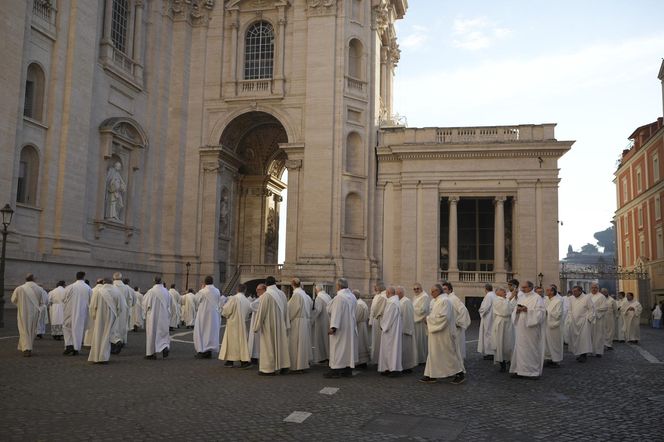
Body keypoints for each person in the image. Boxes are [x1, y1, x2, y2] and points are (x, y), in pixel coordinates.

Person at [420, 283, 465, 385]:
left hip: (443, 334)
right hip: (436, 334)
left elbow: (444, 317)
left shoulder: (445, 301)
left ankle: (459, 373)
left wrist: (428, 320)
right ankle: (431, 375)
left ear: (438, 291)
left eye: (433, 291)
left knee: (448, 354)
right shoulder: (437, 301)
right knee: (433, 354)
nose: (431, 293)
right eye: (431, 292)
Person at [253, 276, 290, 375]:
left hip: (269, 325)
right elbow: (286, 309)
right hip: (280, 324)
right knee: (281, 345)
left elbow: (261, 312)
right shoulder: (282, 294)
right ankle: (284, 366)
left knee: (268, 346)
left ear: (266, 284)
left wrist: (256, 326)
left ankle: (268, 369)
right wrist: (286, 323)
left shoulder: (266, 295)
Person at [510, 280, 546, 379]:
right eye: (522, 287)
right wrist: (517, 311)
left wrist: (528, 310)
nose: (522, 289)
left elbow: (541, 313)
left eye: (524, 287)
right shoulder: (521, 297)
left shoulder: (537, 298)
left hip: (531, 328)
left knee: (531, 349)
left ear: (530, 287)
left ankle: (532, 372)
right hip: (521, 328)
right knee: (520, 348)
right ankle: (520, 370)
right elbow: (514, 310)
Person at [324, 278, 357, 378]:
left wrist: (333, 327)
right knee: (347, 348)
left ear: (338, 286)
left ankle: (336, 370)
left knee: (337, 348)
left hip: (341, 328)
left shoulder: (339, 298)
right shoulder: (352, 296)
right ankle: (347, 369)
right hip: (350, 327)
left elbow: (336, 313)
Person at [11, 274, 46, 357]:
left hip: (23, 312)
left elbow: (13, 300)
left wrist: (20, 305)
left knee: (24, 330)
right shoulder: (39, 289)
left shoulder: (19, 288)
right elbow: (43, 302)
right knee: (32, 331)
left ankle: (26, 348)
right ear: (34, 279)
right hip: (35, 313)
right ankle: (28, 347)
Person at [88, 278, 119, 364]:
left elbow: (92, 306)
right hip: (111, 316)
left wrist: (93, 316)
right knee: (107, 336)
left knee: (98, 335)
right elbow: (120, 305)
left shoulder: (98, 291)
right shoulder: (116, 291)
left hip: (99, 316)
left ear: (104, 283)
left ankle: (96, 357)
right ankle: (104, 357)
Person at [219, 283, 251, 366]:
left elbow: (226, 310)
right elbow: (248, 313)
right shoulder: (247, 300)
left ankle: (231, 360)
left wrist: (225, 314)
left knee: (232, 343)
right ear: (245, 290)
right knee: (241, 343)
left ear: (237, 290)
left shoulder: (234, 298)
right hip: (242, 324)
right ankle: (242, 360)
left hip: (233, 324)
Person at [62, 272, 91, 356]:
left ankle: (69, 345)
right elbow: (91, 301)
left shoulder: (70, 287)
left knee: (67, 327)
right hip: (82, 313)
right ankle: (76, 348)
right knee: (79, 329)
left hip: (69, 311)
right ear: (84, 277)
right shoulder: (88, 288)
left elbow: (63, 298)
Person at [143, 276, 171, 359]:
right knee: (163, 332)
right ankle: (164, 346)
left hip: (153, 316)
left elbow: (145, 303)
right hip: (164, 316)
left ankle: (151, 353)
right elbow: (170, 304)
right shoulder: (166, 292)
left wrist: (145, 312)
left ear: (154, 281)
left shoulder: (151, 292)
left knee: (152, 333)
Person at [288, 278, 313, 373]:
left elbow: (291, 310)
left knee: (296, 345)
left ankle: (297, 366)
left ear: (292, 285)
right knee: (303, 344)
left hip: (297, 322)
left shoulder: (296, 295)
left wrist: (287, 318)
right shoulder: (306, 295)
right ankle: (303, 363)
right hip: (305, 322)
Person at [193, 276, 221, 359]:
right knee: (211, 332)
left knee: (202, 331)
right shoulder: (217, 291)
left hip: (203, 314)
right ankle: (209, 350)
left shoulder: (203, 291)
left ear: (205, 282)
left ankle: (202, 350)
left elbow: (196, 300)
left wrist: (201, 289)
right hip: (214, 315)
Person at [378, 286, 403, 377]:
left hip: (391, 331)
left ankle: (394, 369)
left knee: (391, 349)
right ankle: (388, 367)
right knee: (389, 349)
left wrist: (383, 326)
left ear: (388, 293)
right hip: (392, 329)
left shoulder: (392, 303)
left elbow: (389, 317)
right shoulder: (394, 301)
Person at [443, 282, 470, 360]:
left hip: (456, 328)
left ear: (450, 290)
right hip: (450, 328)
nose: (443, 291)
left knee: (457, 346)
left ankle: (459, 366)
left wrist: (458, 322)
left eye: (445, 289)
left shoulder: (453, 299)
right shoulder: (447, 299)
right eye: (443, 289)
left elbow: (463, 310)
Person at [568, 285, 594, 363]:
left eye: (575, 291)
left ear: (580, 291)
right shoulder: (571, 298)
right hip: (574, 321)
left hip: (584, 321)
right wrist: (570, 319)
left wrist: (589, 319)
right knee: (577, 339)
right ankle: (579, 353)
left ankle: (584, 355)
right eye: (573, 291)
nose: (574, 293)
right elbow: (569, 309)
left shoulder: (587, 298)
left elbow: (591, 309)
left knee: (584, 339)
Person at [491, 288, 515, 373]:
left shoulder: (505, 300)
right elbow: (504, 311)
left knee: (509, 343)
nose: (505, 292)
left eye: (505, 291)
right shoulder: (497, 300)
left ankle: (510, 361)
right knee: (500, 343)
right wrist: (510, 298)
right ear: (498, 293)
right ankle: (502, 364)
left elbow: (511, 309)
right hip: (501, 323)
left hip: (508, 323)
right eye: (503, 291)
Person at [397, 286, 417, 373]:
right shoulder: (400, 301)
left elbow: (407, 317)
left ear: (401, 293)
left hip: (405, 330)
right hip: (400, 329)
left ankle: (407, 367)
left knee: (406, 349)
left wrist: (406, 329)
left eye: (396, 293)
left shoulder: (406, 302)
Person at [544, 284, 564, 368]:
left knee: (555, 343)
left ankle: (556, 360)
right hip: (546, 324)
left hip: (555, 325)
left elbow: (559, 314)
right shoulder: (546, 300)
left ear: (552, 291)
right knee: (547, 343)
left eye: (548, 290)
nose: (546, 292)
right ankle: (549, 358)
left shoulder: (558, 301)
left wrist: (548, 312)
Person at [312, 283, 332, 364]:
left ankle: (322, 357)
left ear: (317, 290)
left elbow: (318, 310)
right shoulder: (328, 296)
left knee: (320, 339)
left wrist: (311, 318)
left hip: (321, 321)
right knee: (327, 340)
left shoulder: (319, 298)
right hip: (329, 320)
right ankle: (328, 356)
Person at [411, 283, 430, 365]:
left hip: (420, 321)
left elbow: (423, 310)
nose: (416, 290)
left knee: (421, 341)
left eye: (417, 288)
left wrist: (411, 308)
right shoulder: (415, 296)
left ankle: (422, 359)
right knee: (416, 341)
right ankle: (417, 357)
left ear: (421, 288)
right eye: (414, 289)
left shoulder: (424, 297)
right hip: (415, 321)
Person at [112, 272, 133, 347]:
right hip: (124, 309)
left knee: (114, 325)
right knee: (122, 324)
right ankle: (122, 340)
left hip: (113, 309)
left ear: (113, 278)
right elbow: (130, 299)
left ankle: (114, 340)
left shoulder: (111, 286)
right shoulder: (126, 288)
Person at [369, 282, 387, 364]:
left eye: (376, 287)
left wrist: (373, 317)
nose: (374, 288)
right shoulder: (377, 296)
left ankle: (378, 359)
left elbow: (377, 310)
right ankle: (375, 358)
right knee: (375, 340)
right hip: (375, 319)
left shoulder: (383, 296)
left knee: (378, 340)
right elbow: (373, 309)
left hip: (379, 320)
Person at [477, 283, 496, 360]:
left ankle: (490, 352)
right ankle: (491, 351)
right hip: (492, 317)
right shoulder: (494, 295)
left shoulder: (488, 296)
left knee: (488, 334)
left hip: (488, 318)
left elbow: (485, 308)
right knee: (491, 333)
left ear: (486, 289)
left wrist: (480, 310)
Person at [588, 283, 607, 357]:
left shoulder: (601, 297)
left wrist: (595, 312)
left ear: (598, 288)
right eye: (592, 287)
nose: (594, 289)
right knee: (590, 335)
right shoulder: (588, 296)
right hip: (590, 319)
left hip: (599, 319)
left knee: (599, 335)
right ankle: (590, 350)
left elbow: (605, 307)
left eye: (595, 287)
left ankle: (598, 351)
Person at [248, 284, 265, 365]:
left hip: (258, 322)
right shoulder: (261, 298)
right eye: (256, 289)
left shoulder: (262, 298)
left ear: (263, 290)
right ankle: (255, 356)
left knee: (256, 340)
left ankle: (255, 356)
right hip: (257, 320)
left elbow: (252, 305)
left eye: (259, 289)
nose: (257, 291)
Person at [353, 289, 370, 368]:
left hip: (359, 325)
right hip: (362, 325)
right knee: (363, 343)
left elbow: (356, 317)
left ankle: (360, 362)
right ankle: (363, 361)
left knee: (360, 344)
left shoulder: (358, 304)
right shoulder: (362, 303)